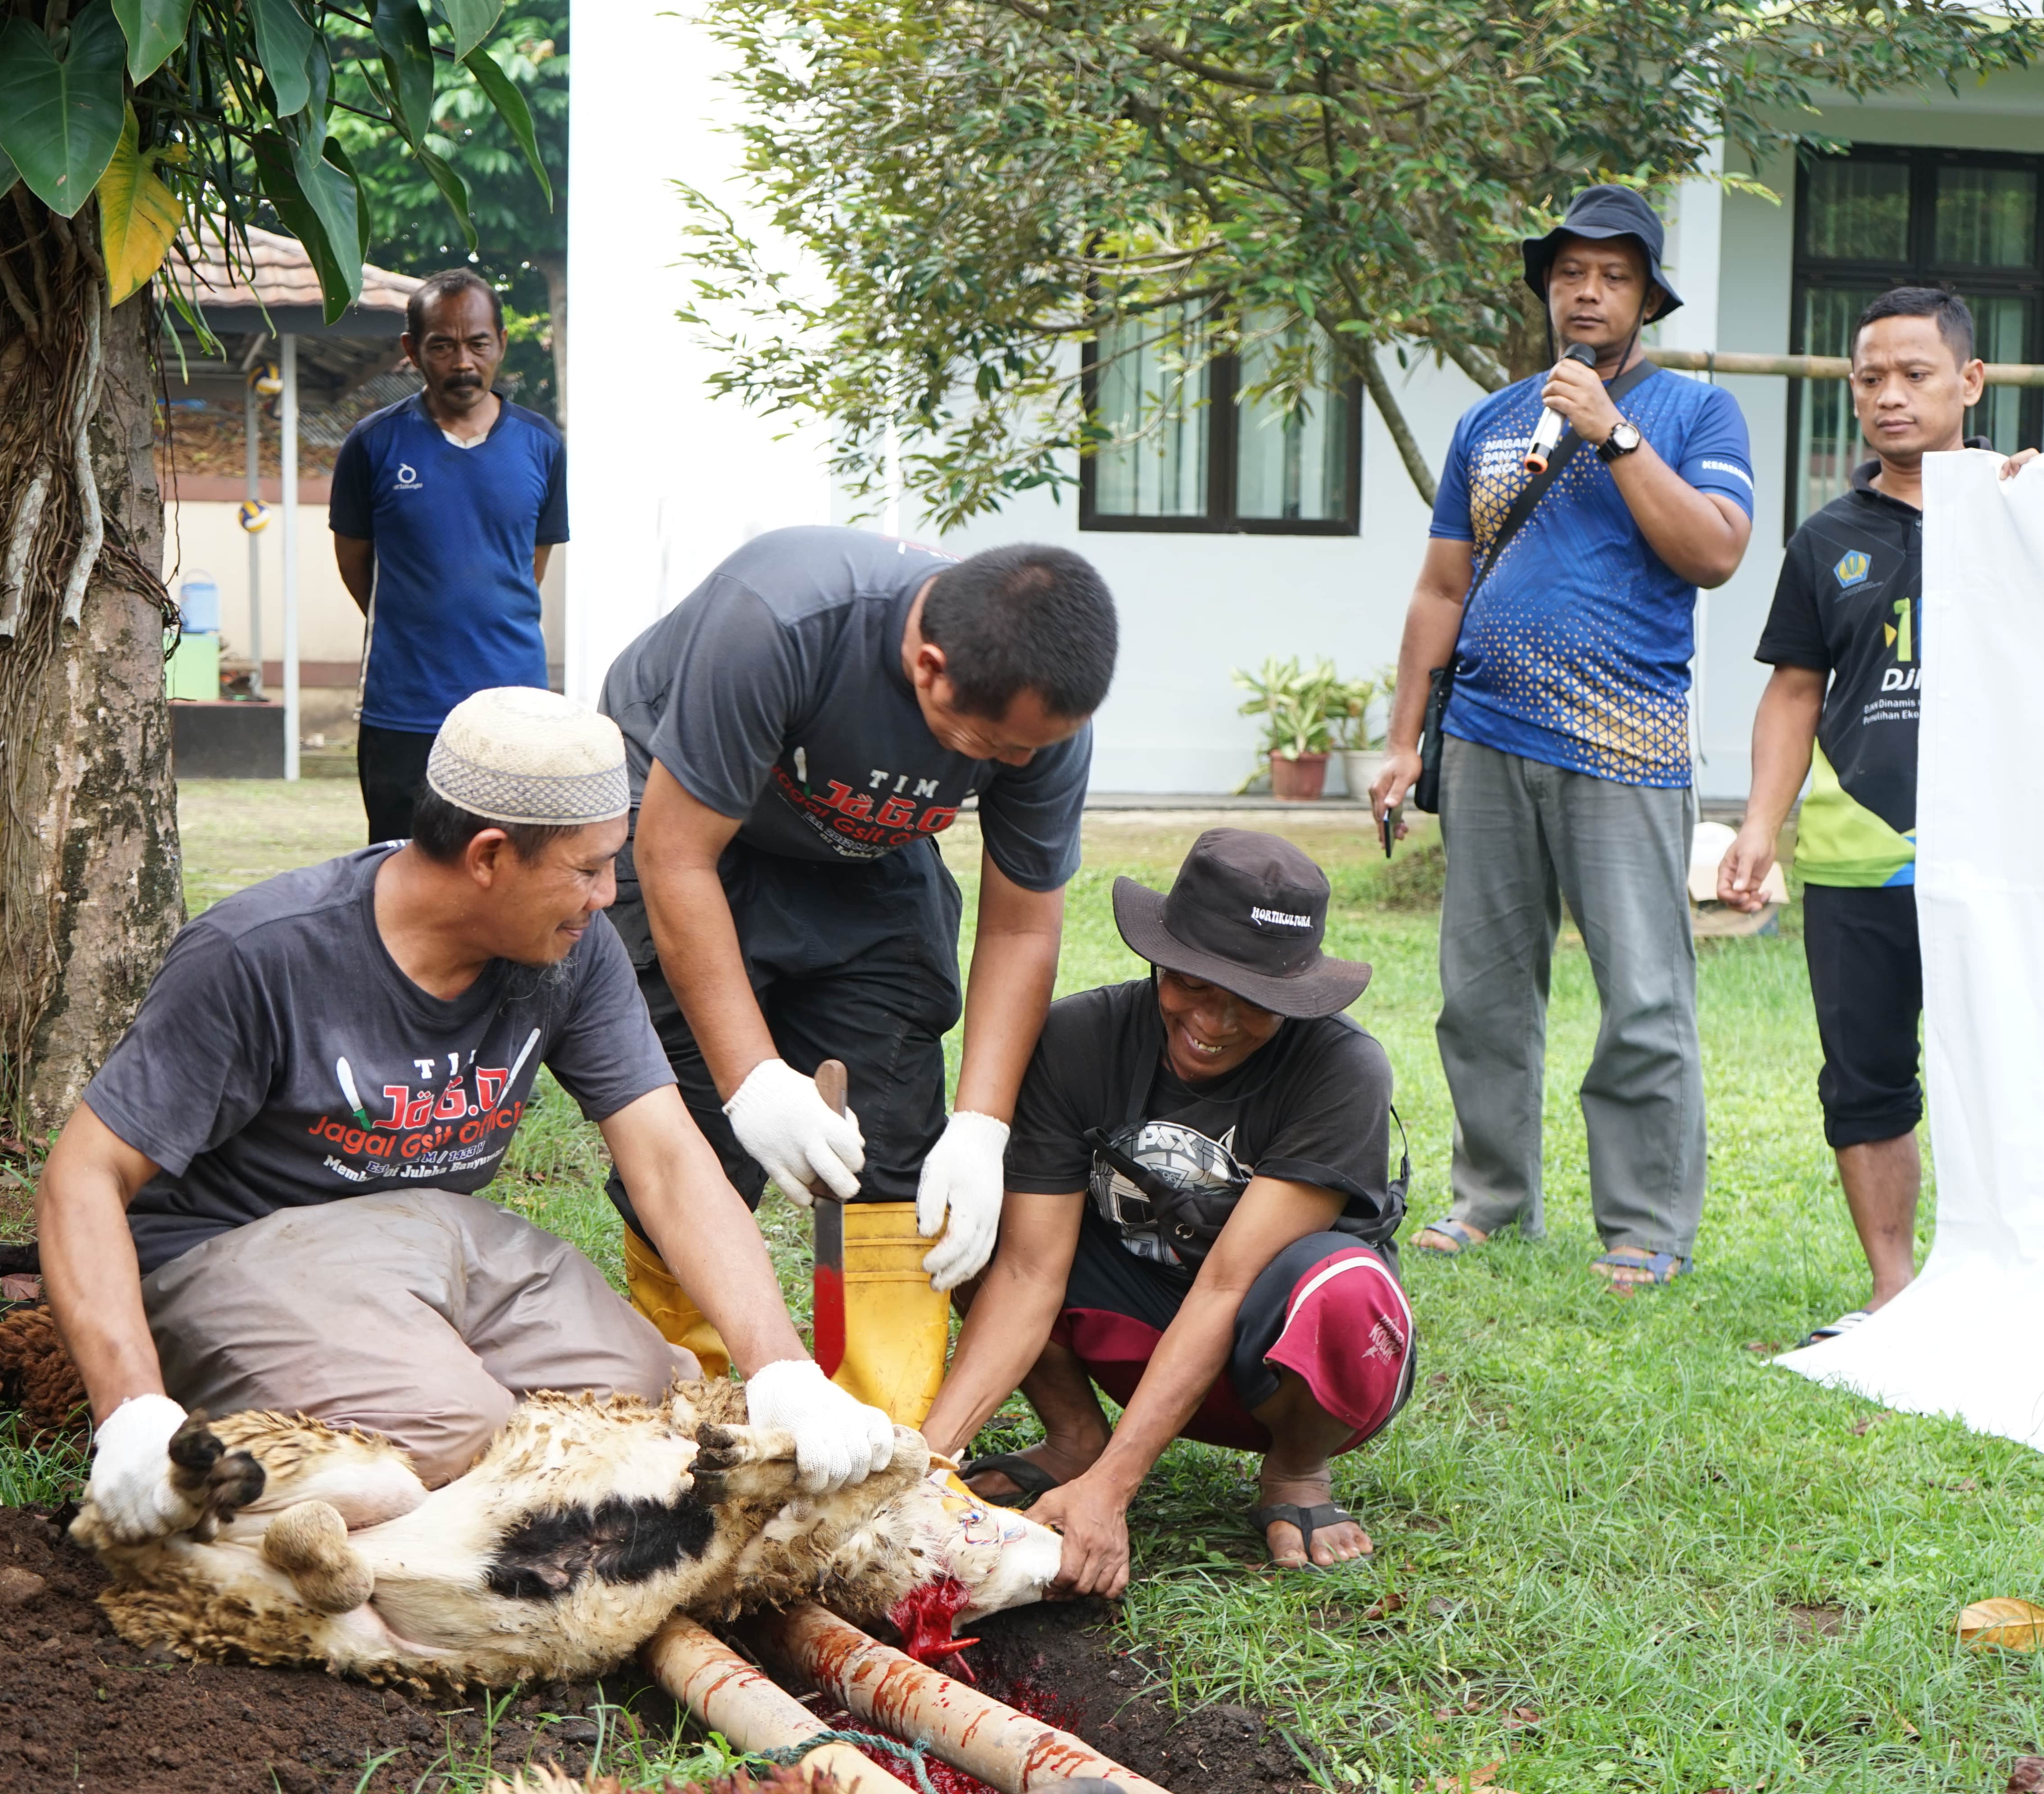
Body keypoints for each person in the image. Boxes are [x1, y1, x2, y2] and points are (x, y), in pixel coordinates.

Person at [40, 687, 897, 1549]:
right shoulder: (261, 955)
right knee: (460, 1439)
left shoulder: (572, 950)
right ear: (489, 856)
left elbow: (668, 1159)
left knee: (642, 1404)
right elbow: (83, 1175)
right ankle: (253, 1509)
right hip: (239, 1242)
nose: (608, 895)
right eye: (588, 868)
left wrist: (783, 1370)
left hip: (426, 1228)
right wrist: (131, 1408)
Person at [600, 527, 1118, 1425]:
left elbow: (1023, 921)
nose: (1014, 767)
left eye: (1032, 750)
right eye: (995, 747)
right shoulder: (780, 623)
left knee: (894, 1126)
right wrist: (753, 1079)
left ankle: (886, 1431)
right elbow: (677, 858)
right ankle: (694, 1409)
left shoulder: (1041, 723)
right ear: (929, 668)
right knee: (698, 1121)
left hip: (868, 845)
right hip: (686, 819)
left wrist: (982, 1128)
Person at [1367, 184, 1756, 1291]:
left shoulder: (1695, 415)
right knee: (1481, 992)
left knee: (1644, 996)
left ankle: (1644, 1223)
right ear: (1547, 289)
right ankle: (1491, 1200)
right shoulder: (1488, 423)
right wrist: (1403, 740)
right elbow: (1441, 588)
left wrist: (1613, 433)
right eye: (1571, 273)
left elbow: (1716, 552)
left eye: (1615, 276)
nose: (1589, 292)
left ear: (1647, 299)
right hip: (1488, 738)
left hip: (1626, 744)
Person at [921, 831, 1413, 1593]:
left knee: (1346, 1290)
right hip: (1131, 1328)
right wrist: (922, 1466)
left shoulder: (1342, 1070)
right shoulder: (1080, 1040)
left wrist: (1112, 1493)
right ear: (1160, 959)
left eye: (1254, 1003)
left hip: (1272, 1368)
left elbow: (1227, 1285)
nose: (1214, 1023)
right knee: (973, 1222)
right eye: (1192, 984)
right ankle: (1075, 1440)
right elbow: (1025, 1274)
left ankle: (1295, 1469)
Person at [1715, 287, 2037, 1346]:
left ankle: (2024, 1287)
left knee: (2014, 1067)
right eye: (1869, 378)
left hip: (2007, 856)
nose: (1889, 395)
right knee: (1864, 1078)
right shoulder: (1826, 540)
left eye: (1914, 374)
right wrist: (1759, 826)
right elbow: (1794, 690)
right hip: (1861, 859)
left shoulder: (2025, 509)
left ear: (1970, 382)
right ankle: (1897, 1295)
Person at [331, 270, 570, 843]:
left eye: (478, 343)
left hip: (514, 709)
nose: (463, 362)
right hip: (404, 707)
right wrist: (415, 622)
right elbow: (355, 562)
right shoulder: (373, 444)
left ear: (501, 343)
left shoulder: (542, 445)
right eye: (442, 346)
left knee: (512, 864)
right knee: (401, 864)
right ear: (412, 350)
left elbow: (528, 567)